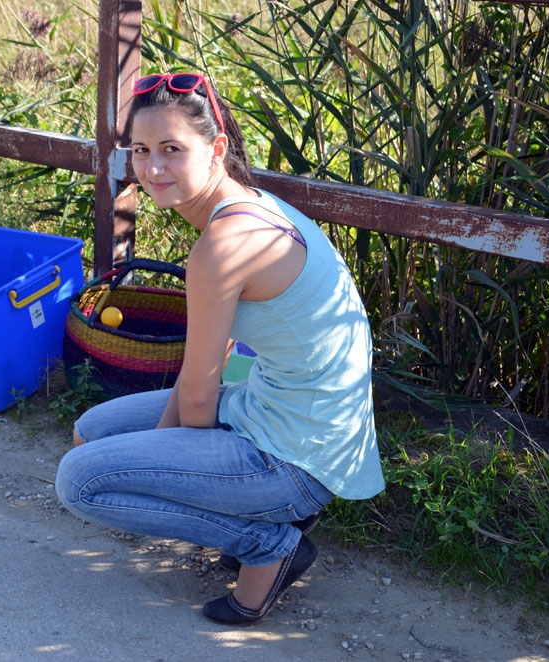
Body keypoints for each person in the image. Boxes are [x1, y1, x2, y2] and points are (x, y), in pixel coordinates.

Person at [54, 72, 384, 626]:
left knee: (80, 480)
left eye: (172, 150)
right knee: (90, 433)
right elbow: (205, 367)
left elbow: (201, 390)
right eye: (140, 150)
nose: (152, 168)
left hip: (296, 458)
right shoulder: (253, 204)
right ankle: (255, 522)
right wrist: (159, 454)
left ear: (217, 149)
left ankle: (267, 546)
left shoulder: (222, 247)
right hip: (281, 413)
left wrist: (159, 458)